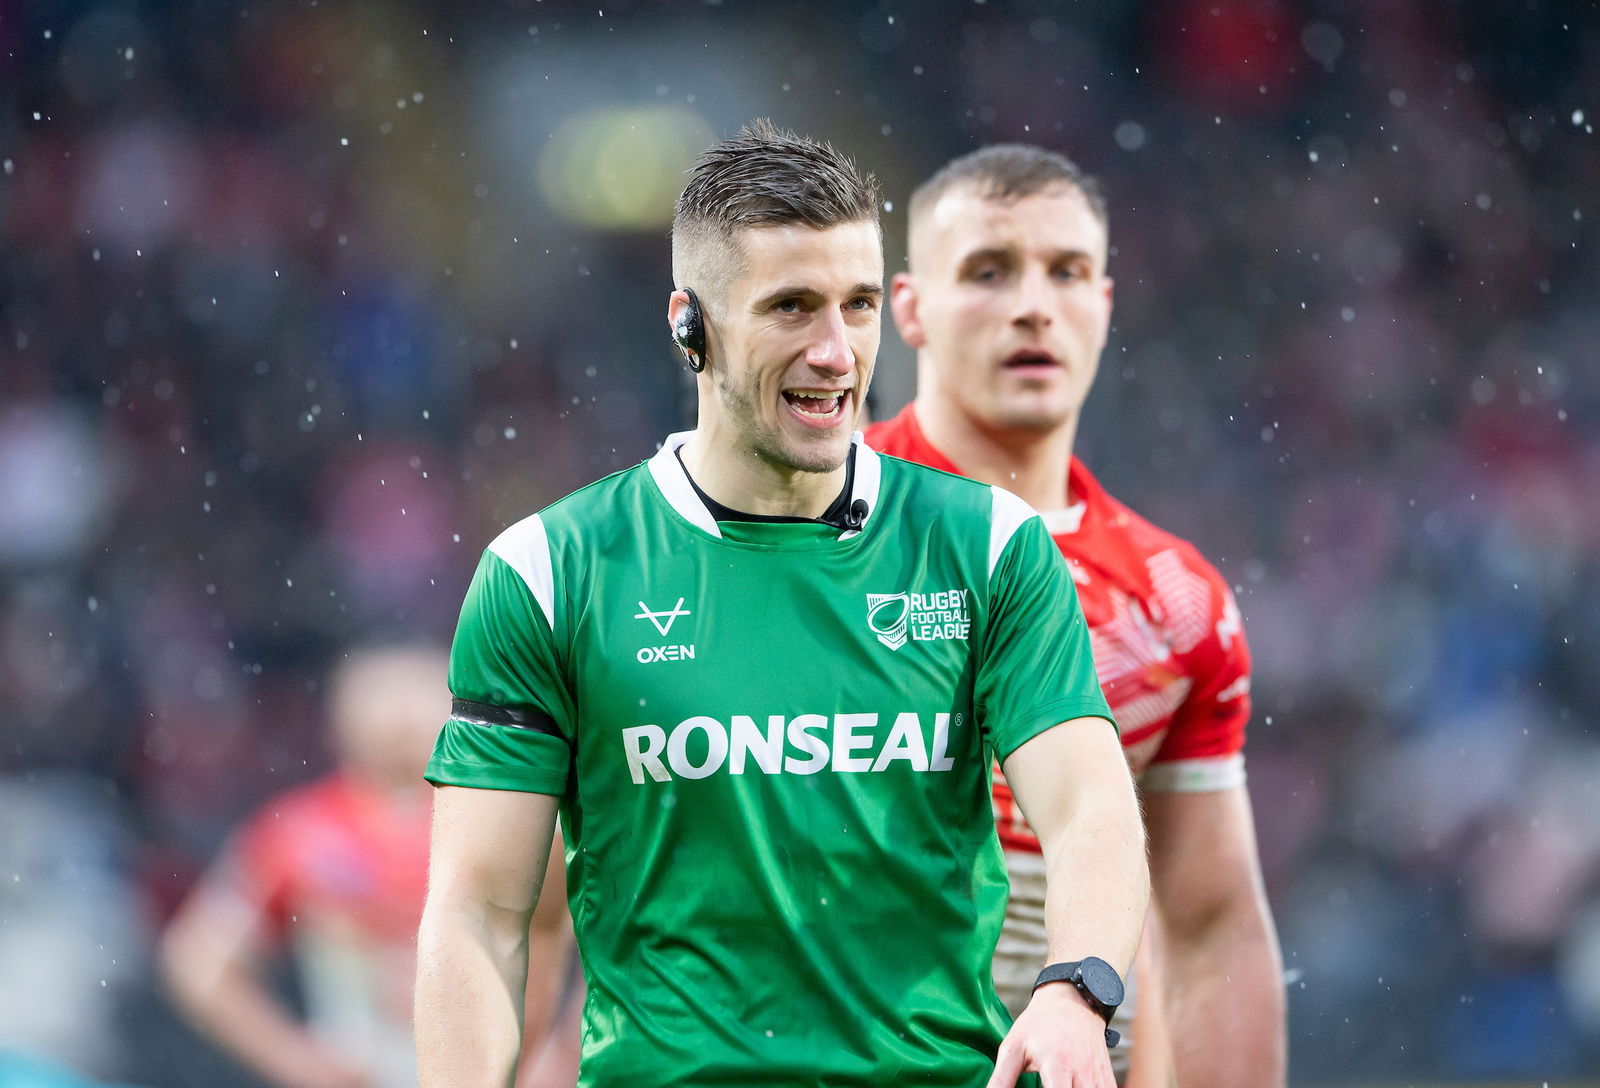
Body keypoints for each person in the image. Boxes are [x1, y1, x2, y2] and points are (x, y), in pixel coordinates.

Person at [414, 120, 1150, 1088]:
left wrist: (1074, 988)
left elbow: (1091, 804)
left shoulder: (988, 548)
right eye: (792, 307)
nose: (837, 352)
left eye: (855, 304)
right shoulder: (548, 573)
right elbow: (479, 914)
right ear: (691, 324)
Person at [866, 144, 1287, 1087]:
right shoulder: (801, 531)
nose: (1032, 304)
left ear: (1104, 303)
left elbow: (1210, 925)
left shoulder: (1177, 606)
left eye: (1066, 272)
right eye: (987, 271)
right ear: (909, 309)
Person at [160, 643, 574, 1088]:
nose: (398, 716)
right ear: (337, 715)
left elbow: (606, 942)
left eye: (415, 692)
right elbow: (199, 960)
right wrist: (296, 1059)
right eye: (381, 694)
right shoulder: (300, 832)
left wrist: (564, 1054)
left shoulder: (512, 821)